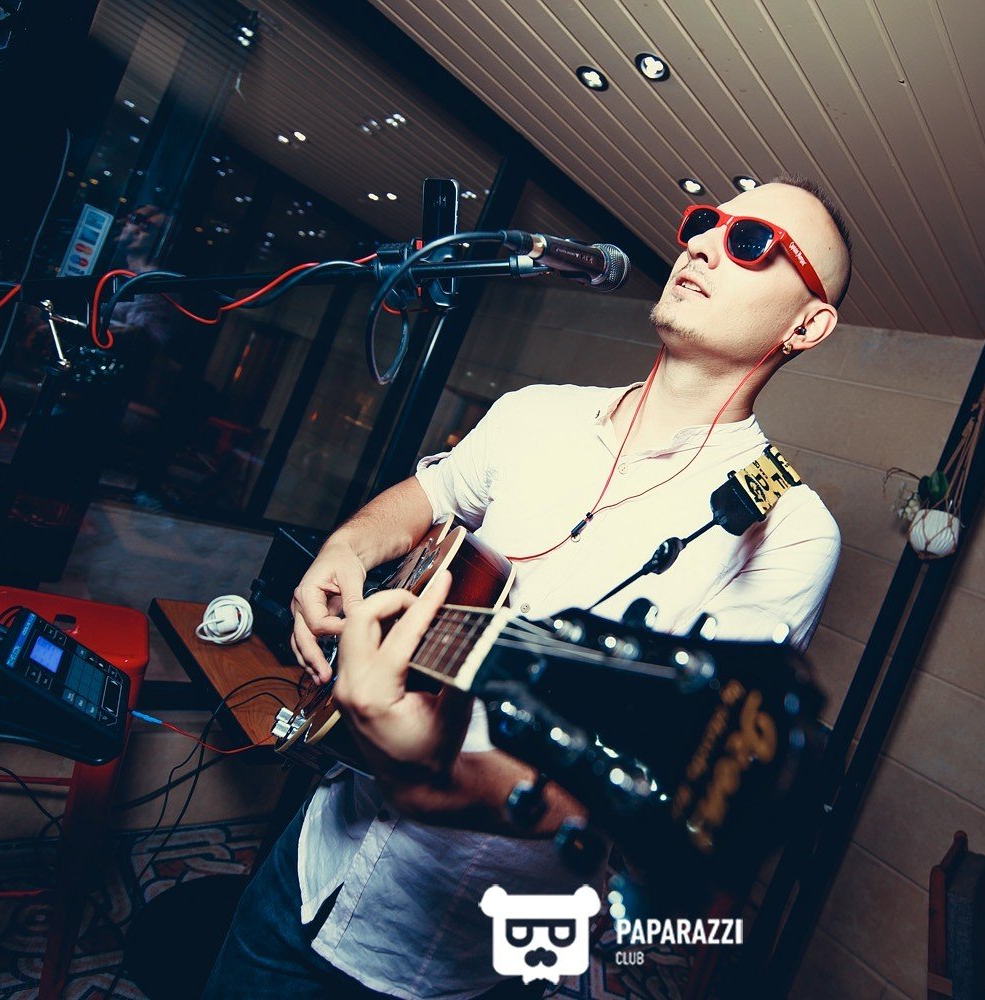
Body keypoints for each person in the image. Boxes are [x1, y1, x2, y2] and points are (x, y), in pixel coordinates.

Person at [205, 176, 854, 999]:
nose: (699, 244)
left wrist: (443, 780)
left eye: (751, 242)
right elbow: (430, 495)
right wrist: (347, 545)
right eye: (703, 222)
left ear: (808, 324)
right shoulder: (536, 412)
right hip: (309, 868)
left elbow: (647, 783)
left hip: (463, 960)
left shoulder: (790, 530)